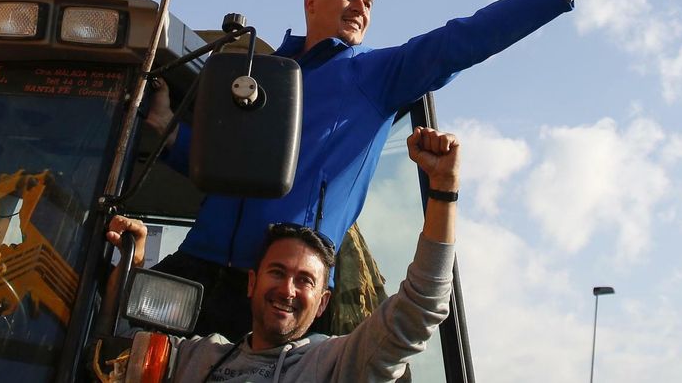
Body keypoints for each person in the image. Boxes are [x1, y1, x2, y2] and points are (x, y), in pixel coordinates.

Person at [151, 0, 631, 336]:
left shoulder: (376, 76)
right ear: (310, 1)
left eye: (368, 2)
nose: (361, 7)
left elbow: (467, 39)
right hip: (195, 268)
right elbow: (226, 166)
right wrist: (165, 132)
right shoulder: (260, 77)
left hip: (286, 294)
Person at [109, 127, 462, 382]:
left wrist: (443, 191)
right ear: (252, 282)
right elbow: (116, 344)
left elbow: (420, 309)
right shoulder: (195, 358)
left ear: (323, 303)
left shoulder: (336, 366)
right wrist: (130, 260)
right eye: (277, 272)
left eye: (305, 280)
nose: (287, 289)